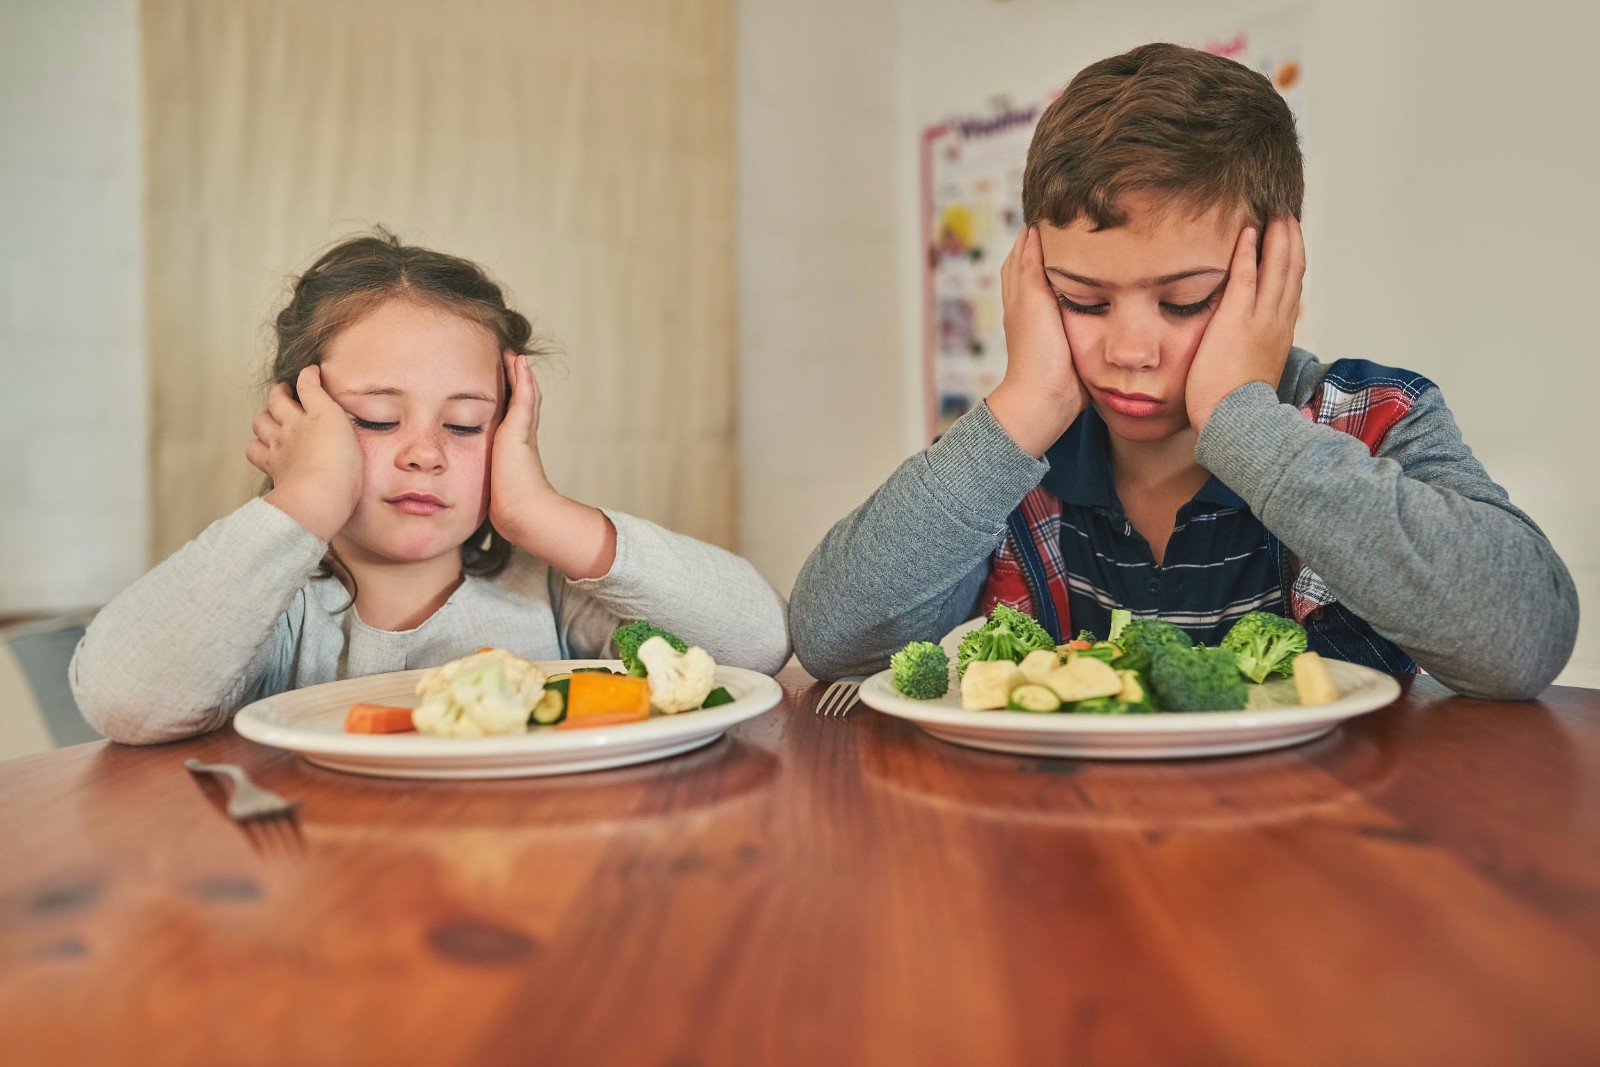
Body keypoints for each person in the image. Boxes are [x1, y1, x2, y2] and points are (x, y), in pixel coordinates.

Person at [789, 43, 1577, 700]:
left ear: (1277, 274)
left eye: (1186, 300)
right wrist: (1021, 410)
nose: (1130, 351)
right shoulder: (1007, 456)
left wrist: (1243, 419)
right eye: (1082, 300)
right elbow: (832, 638)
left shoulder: (1374, 414)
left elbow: (1527, 639)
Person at [73, 229, 790, 743]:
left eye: (467, 425)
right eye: (378, 419)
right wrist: (303, 499)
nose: (425, 454)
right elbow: (124, 698)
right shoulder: (274, 614)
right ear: (296, 419)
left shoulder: (546, 591)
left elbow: (756, 641)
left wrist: (542, 513)